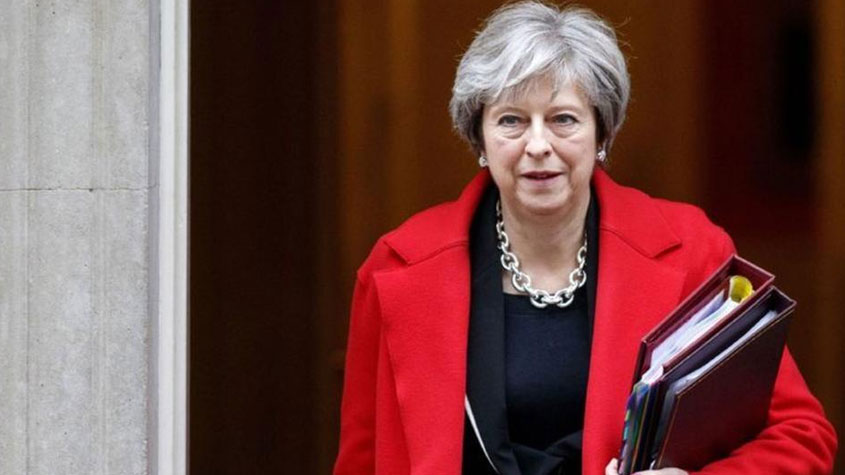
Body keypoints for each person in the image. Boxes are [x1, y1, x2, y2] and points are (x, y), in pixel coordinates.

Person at [333, 2, 837, 474]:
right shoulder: (397, 266)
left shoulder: (693, 253)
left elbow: (801, 434)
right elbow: (361, 460)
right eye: (511, 120)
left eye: (563, 120)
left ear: (602, 134)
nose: (537, 144)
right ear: (479, 137)